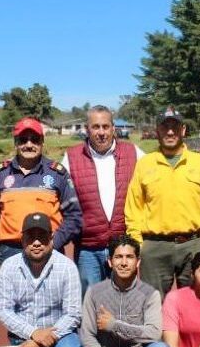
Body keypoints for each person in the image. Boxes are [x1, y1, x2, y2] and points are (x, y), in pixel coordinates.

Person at [124, 108, 200, 294]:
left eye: (174, 127)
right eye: (165, 126)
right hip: (155, 248)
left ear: (183, 130)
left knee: (196, 305)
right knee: (152, 307)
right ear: (157, 131)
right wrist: (139, 244)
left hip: (194, 245)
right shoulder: (145, 164)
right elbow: (133, 208)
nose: (170, 132)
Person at [0, 212, 84, 347]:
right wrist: (34, 334)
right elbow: (4, 311)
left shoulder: (67, 267)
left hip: (59, 338)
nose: (36, 243)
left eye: (42, 237)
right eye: (31, 237)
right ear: (22, 239)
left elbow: (73, 314)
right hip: (25, 341)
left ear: (51, 239)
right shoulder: (9, 267)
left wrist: (45, 339)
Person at [61, 105, 143, 296]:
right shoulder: (71, 157)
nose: (101, 132)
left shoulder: (134, 152)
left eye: (105, 127)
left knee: (124, 301)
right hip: (88, 248)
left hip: (123, 246)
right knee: (90, 302)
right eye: (95, 127)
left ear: (114, 128)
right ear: (87, 129)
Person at [0, 117, 82, 261]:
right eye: (23, 140)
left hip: (48, 249)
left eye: (34, 139)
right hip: (10, 251)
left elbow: (74, 215)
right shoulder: (1, 173)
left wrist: (55, 242)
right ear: (15, 142)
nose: (29, 144)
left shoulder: (57, 173)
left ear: (42, 142)